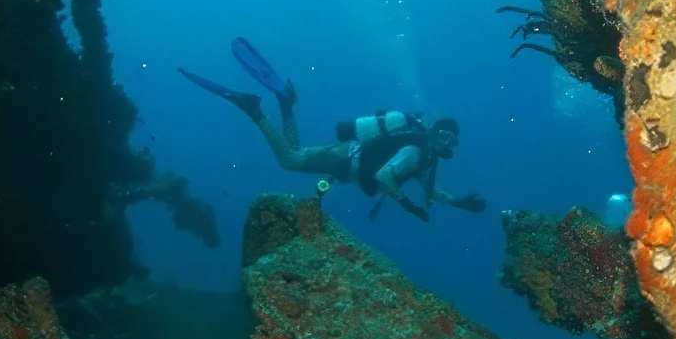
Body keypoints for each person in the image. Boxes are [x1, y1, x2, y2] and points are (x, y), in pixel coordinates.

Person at [179, 37, 487, 222]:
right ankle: (254, 110)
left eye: (454, 142)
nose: (450, 146)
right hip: (345, 158)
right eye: (447, 137)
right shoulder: (415, 151)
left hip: (346, 161)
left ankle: (286, 103)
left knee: (295, 156)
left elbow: (432, 191)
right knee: (290, 161)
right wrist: (407, 205)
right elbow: (383, 176)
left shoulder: (424, 160)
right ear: (436, 134)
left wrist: (459, 202)